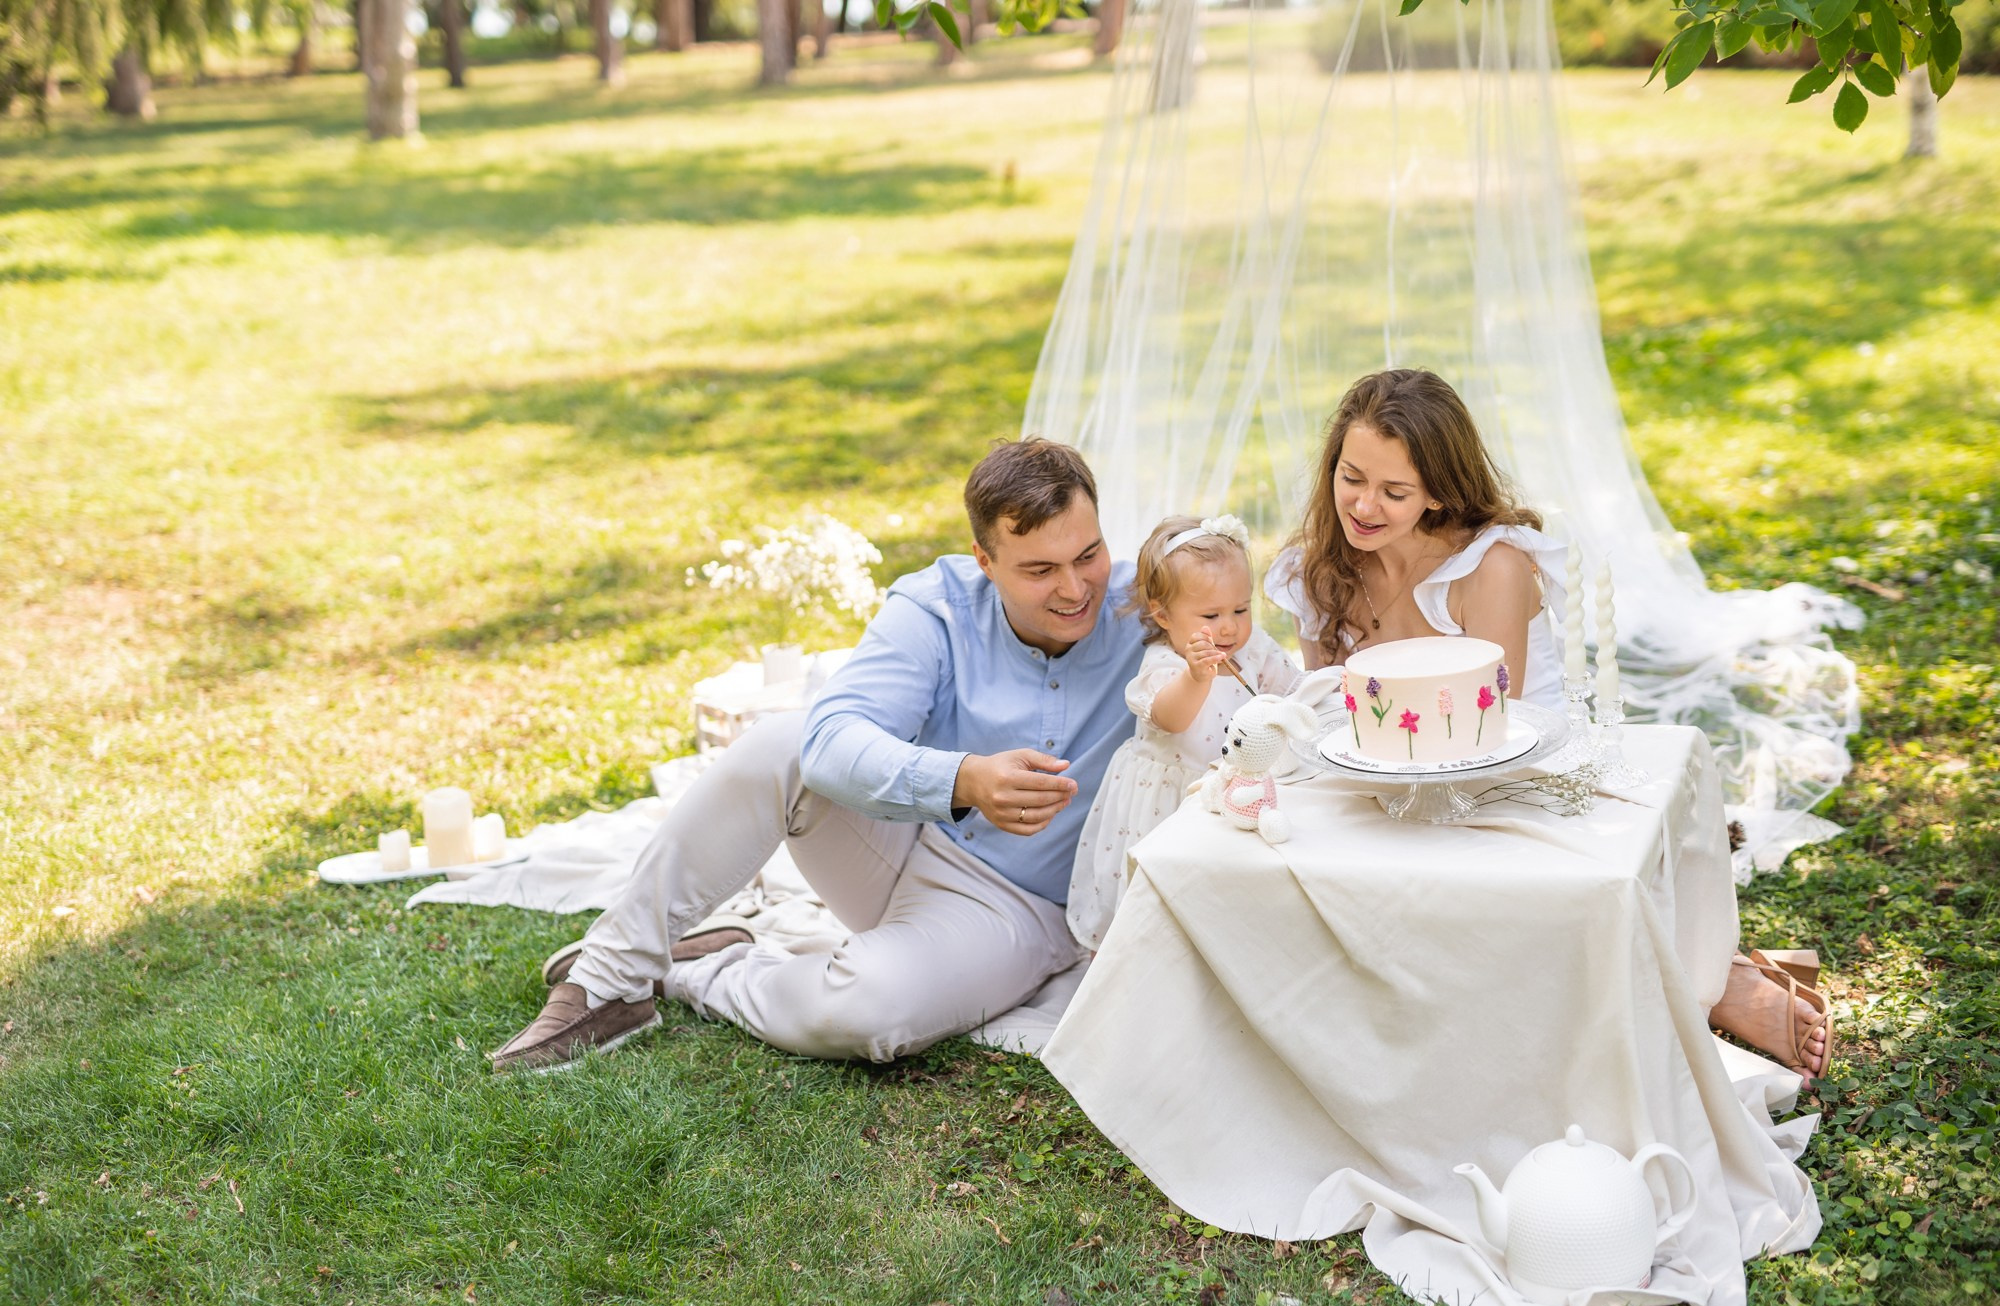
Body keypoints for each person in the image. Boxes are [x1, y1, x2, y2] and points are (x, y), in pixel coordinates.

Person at [489, 438, 1147, 1073]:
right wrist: (963, 779)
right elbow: (832, 742)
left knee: (873, 1011)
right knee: (790, 741)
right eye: (1039, 570)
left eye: (1088, 555)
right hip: (907, 834)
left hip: (1016, 905)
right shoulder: (937, 606)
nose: (1073, 588)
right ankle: (608, 977)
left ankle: (699, 968)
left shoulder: (1150, 614)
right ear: (983, 559)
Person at [1265, 367, 1829, 1082]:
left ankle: (1724, 983)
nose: (1363, 504)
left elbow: (1489, 729)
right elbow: (1329, 706)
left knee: (1525, 903)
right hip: (1378, 777)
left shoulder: (1490, 566)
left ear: (1437, 489)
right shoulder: (1315, 569)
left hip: (1513, 773)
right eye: (1351, 477)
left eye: (1394, 491)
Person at [1066, 513, 1302, 951]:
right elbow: (1172, 718)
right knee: (1170, 894)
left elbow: (1292, 690)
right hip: (1170, 803)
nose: (1230, 626)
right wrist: (1198, 677)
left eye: (1241, 609)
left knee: (1232, 889)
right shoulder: (1165, 665)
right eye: (1211, 614)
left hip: (1237, 792)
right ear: (1165, 615)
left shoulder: (1251, 649)